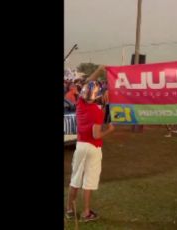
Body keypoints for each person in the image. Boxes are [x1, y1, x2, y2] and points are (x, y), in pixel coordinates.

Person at [65, 66, 116, 222]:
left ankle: (69, 210)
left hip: (80, 146)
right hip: (93, 147)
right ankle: (86, 212)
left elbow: (88, 82)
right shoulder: (97, 111)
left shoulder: (80, 102)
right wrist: (110, 130)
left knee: (75, 179)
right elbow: (96, 135)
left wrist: (99, 70)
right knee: (89, 181)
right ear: (96, 96)